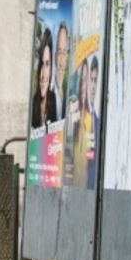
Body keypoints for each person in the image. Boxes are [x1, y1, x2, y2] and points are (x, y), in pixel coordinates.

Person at [71, 57, 99, 187]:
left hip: (85, 192)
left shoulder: (92, 119)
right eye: (82, 81)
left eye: (86, 81)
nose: (84, 87)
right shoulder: (73, 115)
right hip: (71, 188)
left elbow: (92, 162)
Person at [32, 28, 58, 128]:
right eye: (41, 65)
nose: (43, 75)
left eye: (47, 64)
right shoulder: (34, 103)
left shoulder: (53, 99)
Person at [53, 22, 71, 115]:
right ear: (55, 56)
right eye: (59, 52)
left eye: (64, 53)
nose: (61, 62)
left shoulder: (69, 96)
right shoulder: (46, 95)